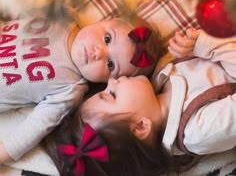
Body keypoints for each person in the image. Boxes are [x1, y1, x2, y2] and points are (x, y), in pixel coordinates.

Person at [46, 28, 236, 176]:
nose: (112, 81)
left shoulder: (160, 77)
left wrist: (187, 43)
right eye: (112, 94)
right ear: (141, 126)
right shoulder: (197, 132)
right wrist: (206, 45)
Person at [0, 9, 164, 166]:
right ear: (104, 21)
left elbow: (34, 127)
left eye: (110, 64)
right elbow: (21, 5)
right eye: (107, 39)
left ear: (106, 82)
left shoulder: (71, 89)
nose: (98, 52)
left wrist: (3, 154)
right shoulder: (63, 16)